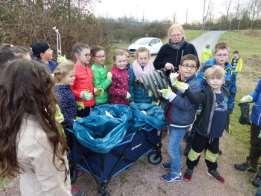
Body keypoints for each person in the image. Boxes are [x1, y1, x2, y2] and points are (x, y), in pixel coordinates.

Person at [0, 59, 72, 196]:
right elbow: (54, 190)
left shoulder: (10, 120)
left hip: (30, 187)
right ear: (39, 92)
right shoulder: (40, 138)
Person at [159, 54, 201, 182]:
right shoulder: (179, 78)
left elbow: (186, 105)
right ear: (180, 67)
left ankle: (176, 173)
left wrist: (171, 96)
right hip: (173, 118)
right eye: (185, 65)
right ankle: (174, 163)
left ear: (196, 69)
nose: (188, 69)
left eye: (192, 66)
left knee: (171, 147)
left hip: (181, 121)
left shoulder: (194, 85)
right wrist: (170, 87)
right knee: (175, 144)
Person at [182, 65, 228, 183]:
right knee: (195, 151)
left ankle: (212, 169)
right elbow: (195, 100)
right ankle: (190, 168)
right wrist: (187, 90)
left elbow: (225, 112)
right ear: (207, 80)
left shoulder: (224, 93)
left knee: (213, 152)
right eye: (211, 78)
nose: (215, 81)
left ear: (223, 80)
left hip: (215, 133)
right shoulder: (205, 93)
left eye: (218, 78)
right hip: (203, 131)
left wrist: (225, 127)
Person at [197, 42, 236, 115]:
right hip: (207, 101)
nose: (222, 57)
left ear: (228, 56)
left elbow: (232, 89)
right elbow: (199, 82)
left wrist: (230, 106)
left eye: (225, 55)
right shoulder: (208, 65)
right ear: (214, 55)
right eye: (219, 55)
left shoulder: (231, 71)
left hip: (222, 104)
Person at [234, 80, 261, 174]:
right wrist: (250, 97)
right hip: (256, 118)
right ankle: (251, 165)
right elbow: (257, 92)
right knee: (254, 143)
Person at [71, 42, 95, 117]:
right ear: (77, 55)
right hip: (81, 106)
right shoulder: (73, 70)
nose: (89, 57)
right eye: (86, 55)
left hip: (91, 103)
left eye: (89, 54)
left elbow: (89, 84)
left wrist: (94, 90)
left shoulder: (88, 68)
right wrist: (80, 94)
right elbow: (69, 89)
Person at [53, 60, 77, 128]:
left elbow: (67, 105)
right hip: (68, 127)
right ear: (62, 77)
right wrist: (74, 123)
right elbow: (62, 114)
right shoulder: (61, 93)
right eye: (71, 76)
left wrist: (75, 104)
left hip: (71, 121)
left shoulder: (66, 87)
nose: (74, 78)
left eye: (74, 76)